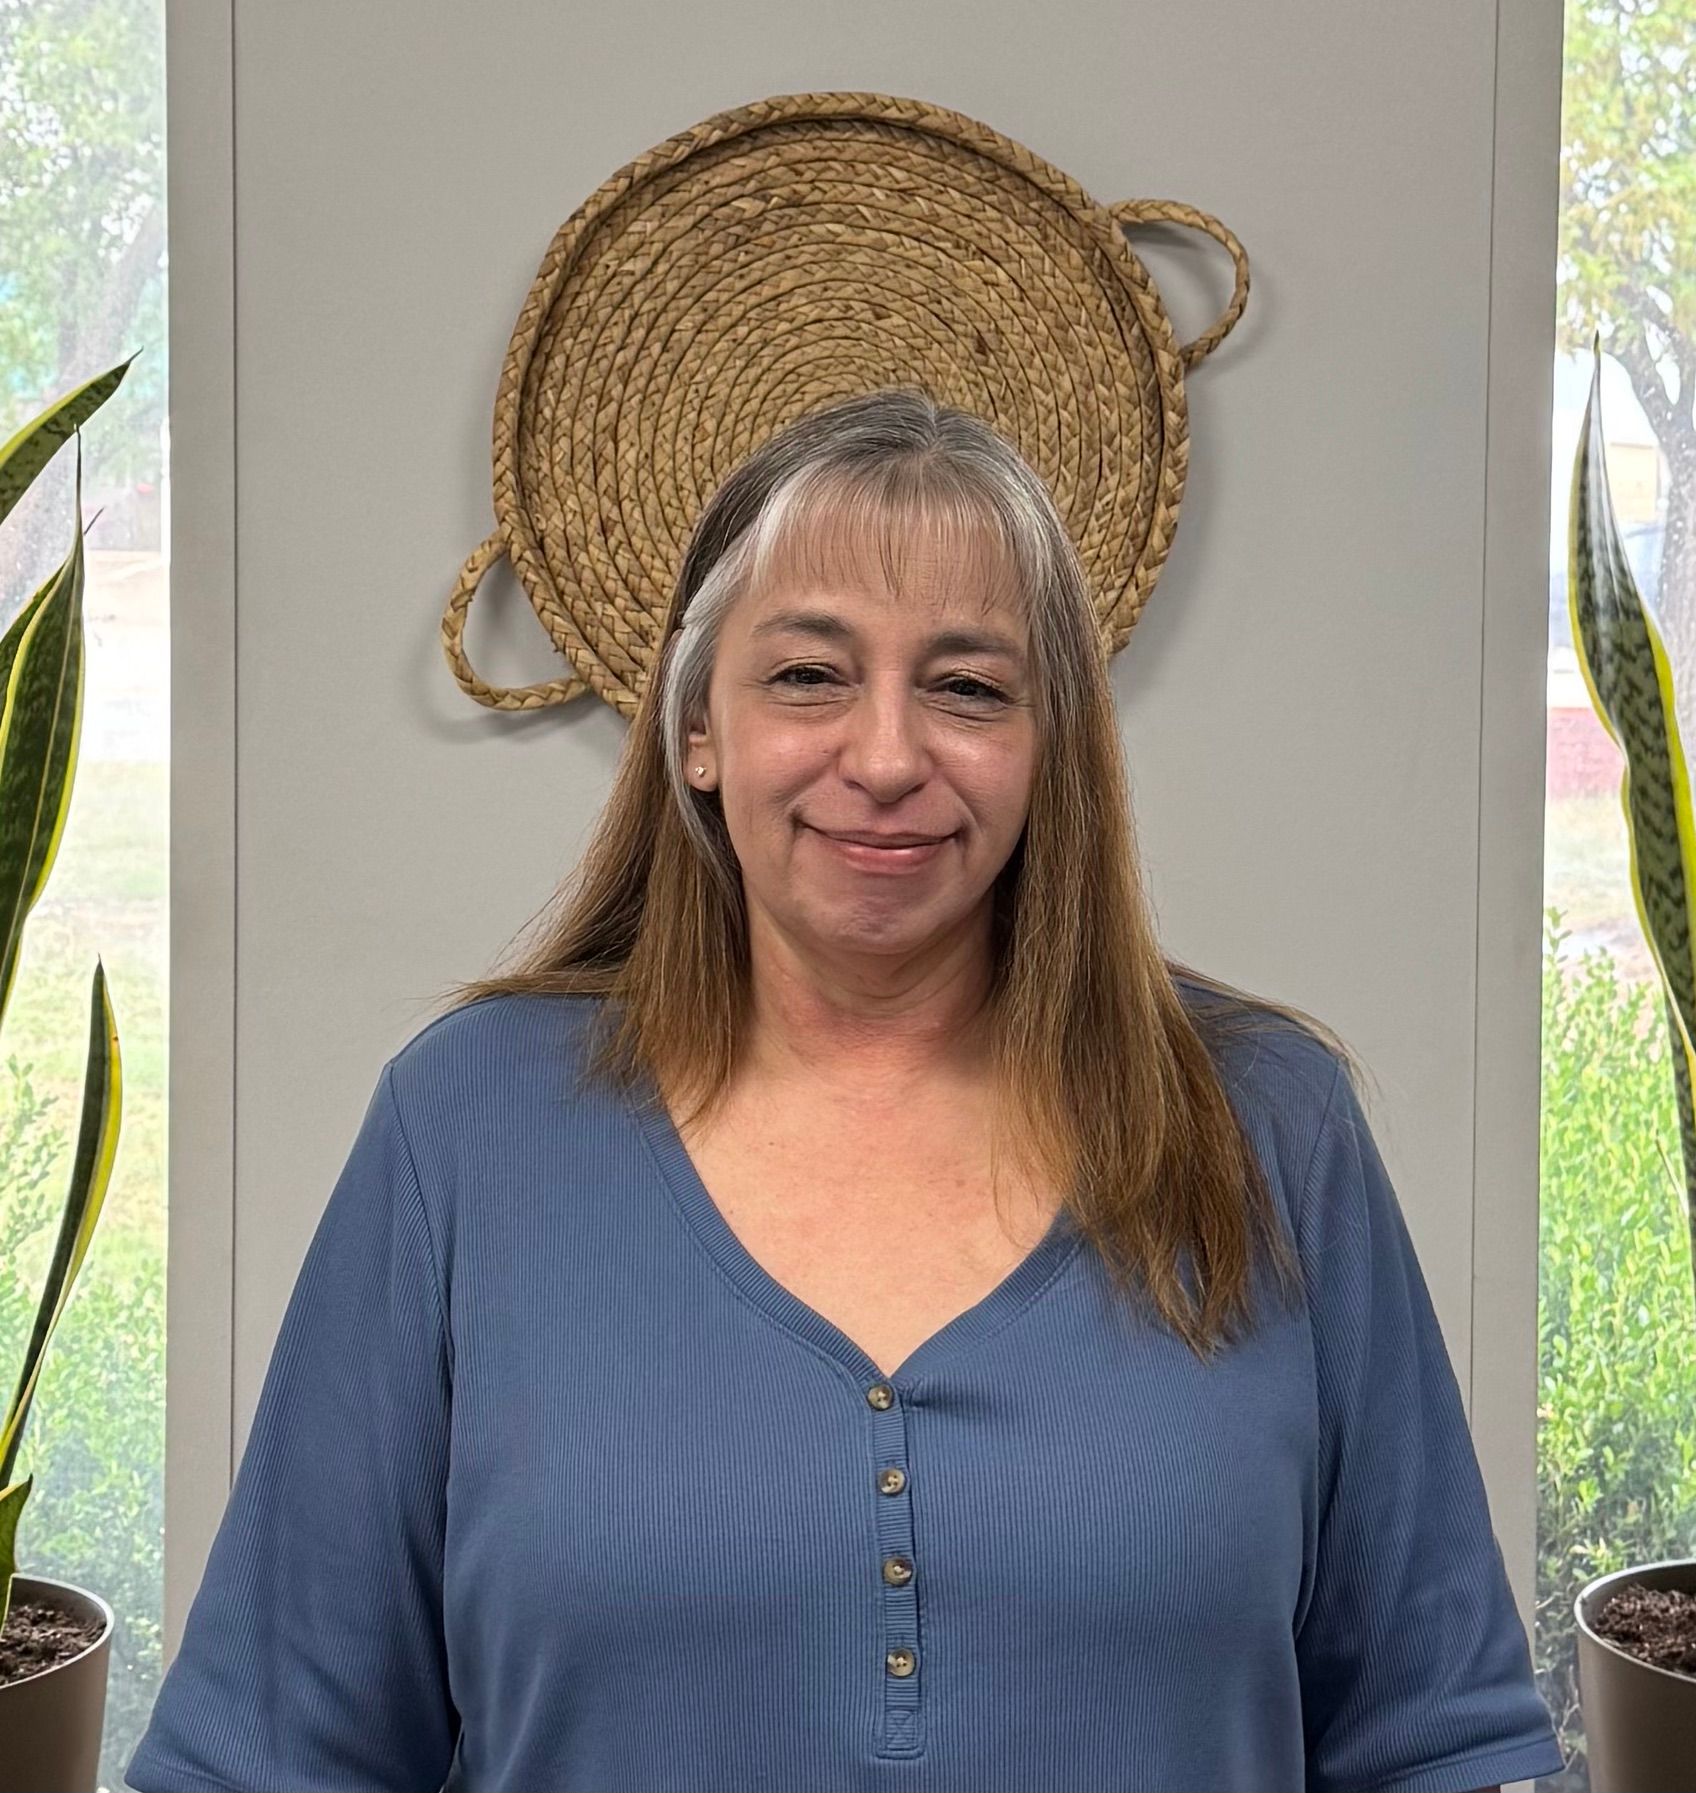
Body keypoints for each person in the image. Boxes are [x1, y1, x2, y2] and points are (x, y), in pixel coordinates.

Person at [124, 388, 1565, 1793]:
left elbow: (1430, 1744)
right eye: (808, 673)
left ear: (1050, 744)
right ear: (701, 729)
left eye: (967, 686)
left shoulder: (1270, 1128)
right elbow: (273, 1751)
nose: (885, 758)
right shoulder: (464, 1131)